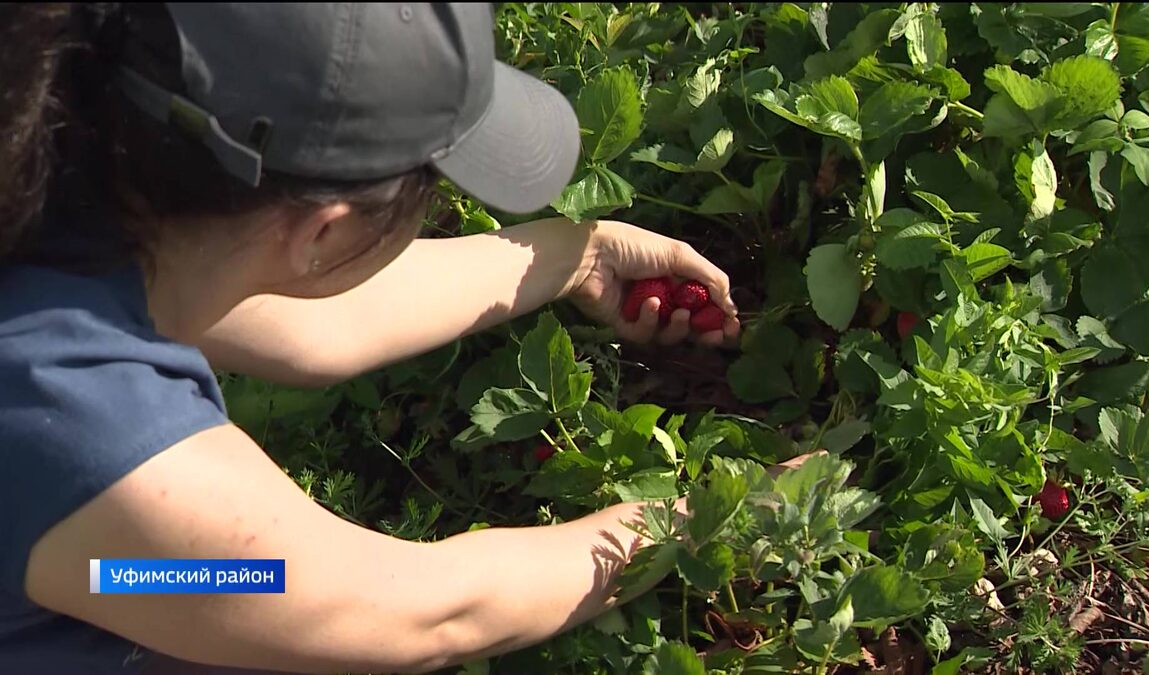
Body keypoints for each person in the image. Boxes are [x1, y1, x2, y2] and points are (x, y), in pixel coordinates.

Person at [0, 3, 754, 674]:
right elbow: (418, 610)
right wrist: (707, 517)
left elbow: (316, 321)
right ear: (324, 228)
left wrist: (577, 257)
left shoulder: (67, 153)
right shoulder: (81, 435)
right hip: (123, 573)